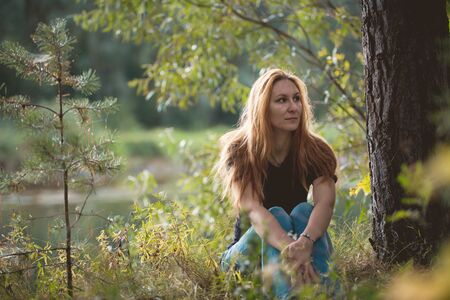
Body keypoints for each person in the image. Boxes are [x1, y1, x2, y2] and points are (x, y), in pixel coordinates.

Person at [214, 68, 338, 299]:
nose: (293, 107)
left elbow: (325, 204)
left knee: (304, 211)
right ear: (263, 108)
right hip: (244, 257)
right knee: (277, 214)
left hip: (297, 245)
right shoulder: (240, 150)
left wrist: (305, 242)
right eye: (281, 100)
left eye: (296, 99)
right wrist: (293, 249)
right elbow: (254, 211)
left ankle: (328, 293)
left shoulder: (317, 150)